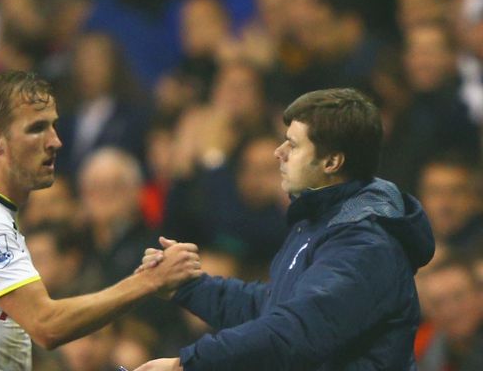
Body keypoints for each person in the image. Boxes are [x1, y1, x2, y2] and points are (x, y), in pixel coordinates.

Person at [0, 70, 202, 370]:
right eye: (37, 128)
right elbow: (46, 325)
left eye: (53, 126)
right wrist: (150, 280)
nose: (55, 141)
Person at [135, 88, 435, 370]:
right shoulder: (320, 221)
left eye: (293, 144)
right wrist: (187, 286)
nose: (279, 152)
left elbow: (295, 332)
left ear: (331, 161)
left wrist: (187, 363)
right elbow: (270, 306)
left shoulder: (365, 243)